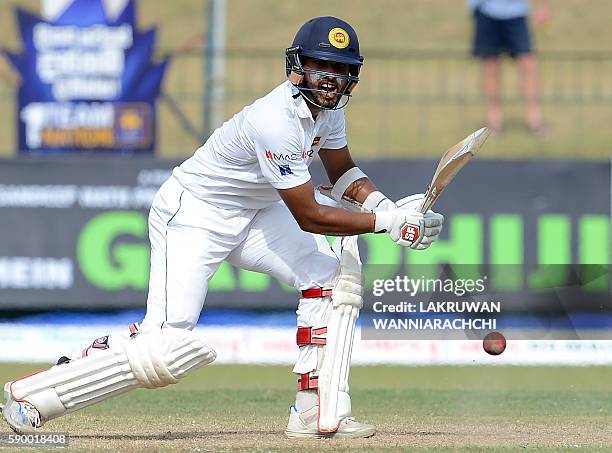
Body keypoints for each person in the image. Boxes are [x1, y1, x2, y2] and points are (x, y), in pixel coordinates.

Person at [1, 17, 444, 439]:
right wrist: (387, 223)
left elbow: (343, 172)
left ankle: (314, 411)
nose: (330, 78)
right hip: (195, 214)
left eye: (341, 69)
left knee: (332, 278)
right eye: (320, 65)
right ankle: (36, 395)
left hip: (257, 213)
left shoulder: (327, 113)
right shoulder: (275, 120)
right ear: (297, 68)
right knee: (167, 346)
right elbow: (310, 214)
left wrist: (391, 208)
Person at [468, 0, 551, 136]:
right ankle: (494, 123)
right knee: (491, 66)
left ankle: (534, 122)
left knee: (529, 64)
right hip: (485, 9)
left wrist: (543, 6)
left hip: (516, 11)